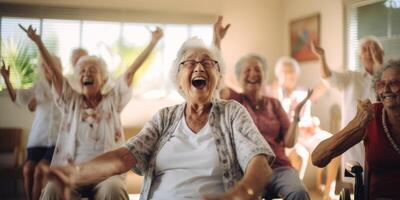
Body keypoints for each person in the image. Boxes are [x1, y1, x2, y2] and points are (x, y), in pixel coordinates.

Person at [39, 35, 276, 200]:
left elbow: (259, 162)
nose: (199, 68)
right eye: (190, 63)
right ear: (179, 80)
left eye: (207, 63)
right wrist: (75, 172)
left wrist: (239, 194)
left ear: (218, 76)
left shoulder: (232, 112)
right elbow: (125, 157)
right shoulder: (165, 118)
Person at [20, 24, 163, 200]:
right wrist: (39, 42)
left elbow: (130, 72)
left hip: (106, 173)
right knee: (52, 190)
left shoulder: (113, 100)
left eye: (92, 71)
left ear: (103, 79)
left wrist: (153, 42)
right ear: (77, 79)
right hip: (72, 172)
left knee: (113, 190)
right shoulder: (70, 102)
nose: (86, 74)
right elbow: (55, 74)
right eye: (82, 71)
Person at [215, 17, 311, 200]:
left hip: (280, 167)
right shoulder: (235, 100)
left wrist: (296, 117)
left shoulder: (274, 104)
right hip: (246, 170)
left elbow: (290, 142)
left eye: (257, 70)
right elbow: (217, 79)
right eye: (247, 70)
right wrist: (217, 41)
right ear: (238, 77)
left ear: (264, 76)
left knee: (299, 192)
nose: (253, 74)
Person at [312, 59, 400, 199]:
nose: (386, 89)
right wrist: (356, 125)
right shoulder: (372, 116)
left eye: (394, 83)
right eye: (381, 84)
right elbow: (318, 158)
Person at [311, 37, 384, 182]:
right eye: (365, 49)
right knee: (355, 180)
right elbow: (329, 78)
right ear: (359, 56)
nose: (369, 52)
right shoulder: (351, 77)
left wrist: (379, 66)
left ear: (381, 53)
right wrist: (322, 57)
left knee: (378, 180)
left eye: (373, 48)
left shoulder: (386, 77)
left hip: (381, 135)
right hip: (354, 138)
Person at [270, 57, 339, 199]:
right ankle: (295, 194)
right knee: (301, 155)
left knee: (336, 145)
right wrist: (301, 126)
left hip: (311, 132)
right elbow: (281, 122)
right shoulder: (275, 93)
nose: (291, 75)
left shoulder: (303, 90)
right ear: (280, 75)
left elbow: (324, 86)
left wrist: (314, 120)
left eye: (293, 71)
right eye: (286, 72)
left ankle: (328, 193)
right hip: (293, 137)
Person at [0, 56, 62, 200]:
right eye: (44, 65)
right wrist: (6, 79)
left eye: (50, 65)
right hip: (37, 139)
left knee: (39, 171)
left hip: (57, 141)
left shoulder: (64, 86)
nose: (48, 68)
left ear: (57, 67)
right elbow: (18, 99)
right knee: (28, 169)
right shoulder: (38, 86)